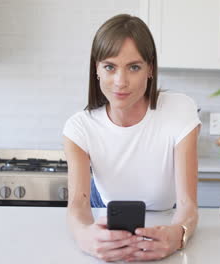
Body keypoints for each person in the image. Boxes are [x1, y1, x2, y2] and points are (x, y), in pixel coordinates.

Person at [63, 14, 201, 262]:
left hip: (164, 215)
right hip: (105, 211)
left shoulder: (180, 111)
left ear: (150, 69)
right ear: (96, 69)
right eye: (110, 67)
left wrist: (179, 235)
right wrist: (85, 237)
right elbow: (78, 205)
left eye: (134, 67)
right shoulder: (79, 128)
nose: (120, 82)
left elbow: (187, 204)